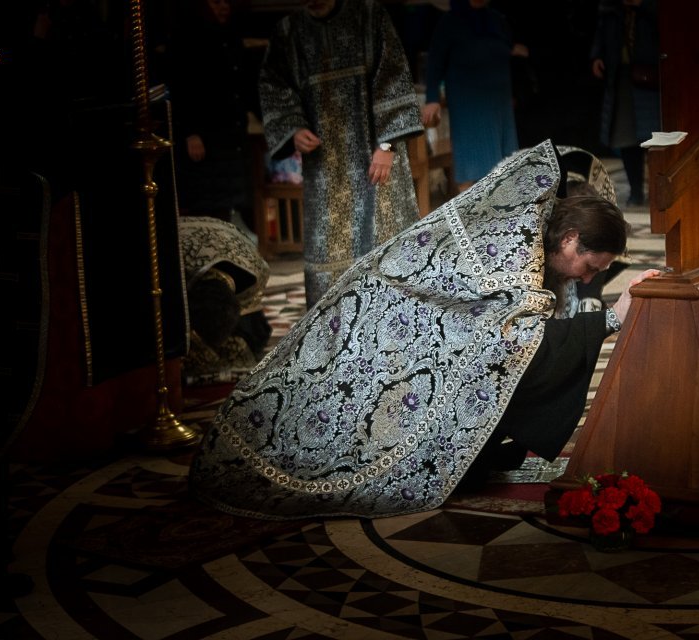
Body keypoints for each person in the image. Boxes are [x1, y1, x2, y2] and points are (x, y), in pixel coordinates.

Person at [189, 140, 661, 520]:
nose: (586, 278)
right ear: (570, 238)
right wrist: (609, 319)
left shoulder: (534, 231)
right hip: (380, 317)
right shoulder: (515, 252)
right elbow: (516, 346)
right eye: (589, 266)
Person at [259, 0, 424, 308]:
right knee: (329, 253)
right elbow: (274, 86)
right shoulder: (289, 32)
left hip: (376, 159)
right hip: (325, 167)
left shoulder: (370, 16)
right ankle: (334, 332)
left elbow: (394, 79)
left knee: (385, 243)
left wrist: (387, 146)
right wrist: (293, 127)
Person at [167, 0, 260, 239]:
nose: (223, 6)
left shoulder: (231, 35)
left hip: (231, 132)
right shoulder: (187, 36)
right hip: (204, 135)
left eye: (227, 1)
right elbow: (181, 88)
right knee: (207, 203)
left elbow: (243, 85)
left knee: (232, 199)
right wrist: (190, 133)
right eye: (216, 1)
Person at [421, 0, 522, 192]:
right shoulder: (450, 22)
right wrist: (432, 98)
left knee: (507, 159)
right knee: (471, 160)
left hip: (499, 99)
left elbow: (509, 50)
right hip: (467, 101)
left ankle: (505, 203)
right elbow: (435, 61)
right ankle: (471, 206)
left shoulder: (497, 20)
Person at [178, 216, 273, 384]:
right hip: (182, 232)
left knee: (250, 338)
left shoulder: (256, 270)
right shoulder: (173, 272)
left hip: (229, 238)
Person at [590, 0, 660, 207]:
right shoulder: (612, 8)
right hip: (622, 75)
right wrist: (597, 55)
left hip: (653, 75)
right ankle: (636, 190)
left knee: (657, 139)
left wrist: (643, 5)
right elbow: (602, 28)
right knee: (627, 137)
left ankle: (660, 191)